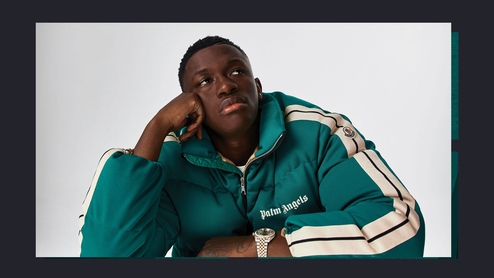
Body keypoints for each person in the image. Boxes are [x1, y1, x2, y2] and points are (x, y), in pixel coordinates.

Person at [78, 35, 425, 258]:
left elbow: (400, 228)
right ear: (187, 103)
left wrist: (252, 249)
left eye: (236, 72)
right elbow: (107, 257)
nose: (226, 86)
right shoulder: (168, 159)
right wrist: (156, 127)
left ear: (257, 87)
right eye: (205, 81)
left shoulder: (319, 133)